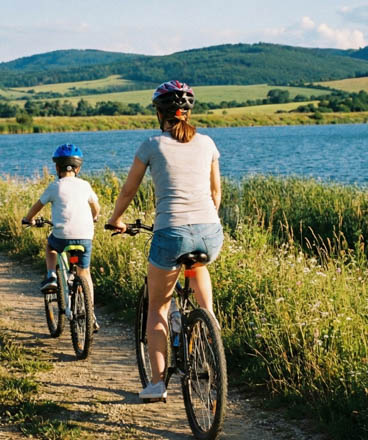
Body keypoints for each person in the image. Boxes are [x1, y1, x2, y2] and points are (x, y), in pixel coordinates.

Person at [107, 81, 223, 401]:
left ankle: (157, 384)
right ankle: (207, 322)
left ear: (160, 114)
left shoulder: (151, 144)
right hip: (210, 232)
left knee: (158, 306)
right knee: (198, 266)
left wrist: (116, 219)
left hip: (171, 232)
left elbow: (129, 190)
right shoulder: (208, 143)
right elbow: (215, 195)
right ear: (188, 112)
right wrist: (203, 222)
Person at [21, 144, 101, 329]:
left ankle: (51, 276)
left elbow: (37, 207)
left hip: (62, 236)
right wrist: (94, 217)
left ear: (57, 167)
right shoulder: (85, 185)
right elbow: (96, 207)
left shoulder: (54, 186)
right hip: (85, 236)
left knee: (51, 245)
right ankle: (91, 314)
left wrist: (28, 219)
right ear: (78, 168)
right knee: (85, 273)